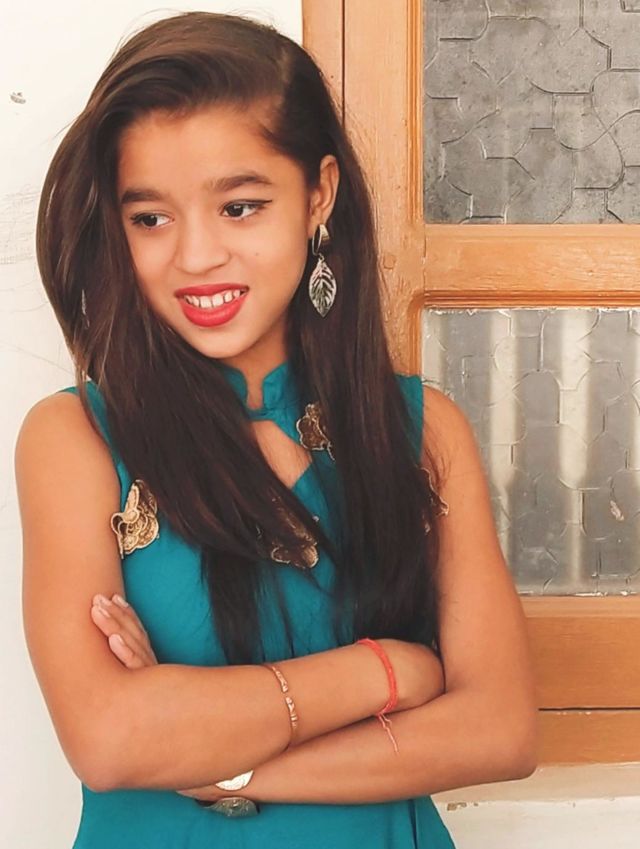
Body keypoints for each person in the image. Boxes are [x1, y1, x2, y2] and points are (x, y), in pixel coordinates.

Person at [15, 11, 537, 849]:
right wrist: (389, 670)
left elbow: (500, 730)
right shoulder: (73, 438)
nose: (196, 256)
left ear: (318, 194)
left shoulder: (421, 431)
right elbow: (110, 738)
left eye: (240, 206)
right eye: (150, 218)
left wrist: (221, 763)